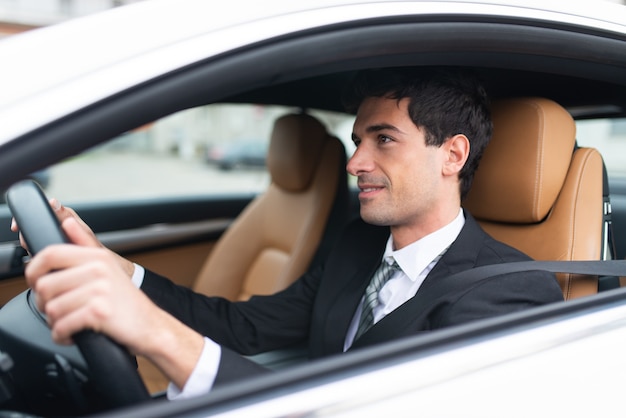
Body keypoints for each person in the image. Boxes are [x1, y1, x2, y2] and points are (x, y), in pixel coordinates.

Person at [14, 67, 564, 399]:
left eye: (384, 140)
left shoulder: (509, 291)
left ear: (453, 154)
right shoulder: (358, 244)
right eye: (357, 141)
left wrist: (157, 336)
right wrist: (116, 269)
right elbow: (243, 327)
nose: (355, 163)